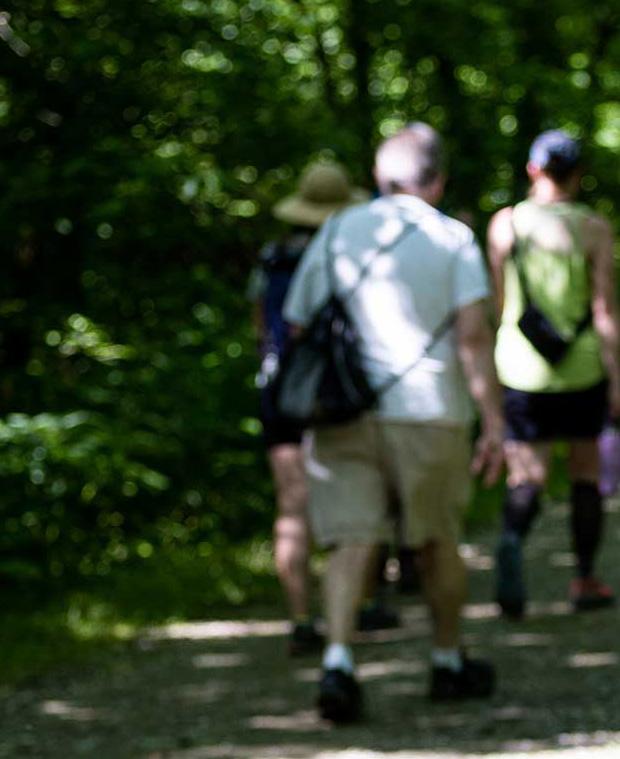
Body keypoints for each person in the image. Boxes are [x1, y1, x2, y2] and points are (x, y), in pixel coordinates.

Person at [283, 124, 504, 721]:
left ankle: (337, 661)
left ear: (379, 177)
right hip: (430, 411)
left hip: (343, 413)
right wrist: (493, 422)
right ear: (438, 180)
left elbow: (298, 323)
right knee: (435, 541)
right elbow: (473, 337)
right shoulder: (452, 237)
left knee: (351, 540)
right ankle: (447, 660)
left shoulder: (336, 230)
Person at [488, 130, 620, 618]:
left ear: (533, 170)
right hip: (583, 368)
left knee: (527, 474)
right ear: (578, 174)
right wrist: (617, 375)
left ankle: (510, 540)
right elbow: (604, 310)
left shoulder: (505, 225)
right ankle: (584, 578)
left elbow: (499, 302)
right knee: (586, 473)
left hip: (522, 368)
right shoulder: (594, 228)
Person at [249, 161, 369, 655]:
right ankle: (354, 608)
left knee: (291, 507)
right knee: (352, 502)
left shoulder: (270, 259)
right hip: (334, 393)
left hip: (281, 392)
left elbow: (261, 327)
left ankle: (300, 617)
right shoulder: (345, 254)